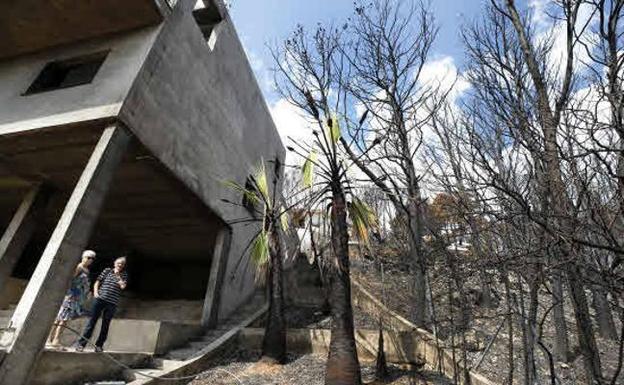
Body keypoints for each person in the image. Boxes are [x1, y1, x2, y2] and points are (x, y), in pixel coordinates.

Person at [76, 256, 128, 352]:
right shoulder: (107, 270)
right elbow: (97, 282)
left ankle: (99, 346)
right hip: (100, 299)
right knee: (92, 322)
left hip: (112, 303)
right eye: (118, 263)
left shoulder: (124, 275)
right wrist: (96, 293)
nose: (120, 265)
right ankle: (81, 344)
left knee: (105, 325)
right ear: (114, 263)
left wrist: (117, 275)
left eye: (122, 264)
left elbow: (123, 286)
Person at [48, 250, 96, 347]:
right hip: (71, 296)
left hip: (77, 298)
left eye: (92, 258)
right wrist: (69, 293)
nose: (90, 260)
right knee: (61, 318)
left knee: (64, 319)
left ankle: (54, 339)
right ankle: (53, 339)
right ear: (83, 257)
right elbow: (70, 280)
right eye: (88, 257)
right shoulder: (78, 267)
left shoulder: (87, 270)